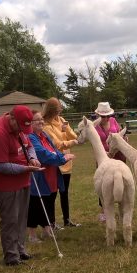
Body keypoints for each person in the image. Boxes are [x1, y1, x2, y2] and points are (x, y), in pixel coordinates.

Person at [0, 105, 43, 266]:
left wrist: (32, 158)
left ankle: (20, 250)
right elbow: (0, 165)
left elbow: (29, 146)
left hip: (23, 181)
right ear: (11, 118)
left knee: (21, 217)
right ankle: (11, 256)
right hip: (5, 186)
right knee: (10, 220)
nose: (22, 131)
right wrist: (26, 168)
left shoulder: (21, 129)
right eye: (19, 126)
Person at [27, 112, 75, 242]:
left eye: (41, 119)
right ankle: (32, 235)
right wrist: (62, 158)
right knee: (36, 205)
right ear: (30, 123)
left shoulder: (44, 135)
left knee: (48, 203)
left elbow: (54, 150)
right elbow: (43, 154)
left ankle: (46, 230)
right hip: (39, 177)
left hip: (52, 176)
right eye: (36, 120)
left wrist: (59, 156)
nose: (41, 122)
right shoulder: (31, 137)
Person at [41, 98, 80, 228]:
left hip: (66, 163)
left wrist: (65, 131)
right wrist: (73, 143)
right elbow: (57, 145)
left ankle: (67, 220)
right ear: (51, 111)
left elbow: (73, 136)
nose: (59, 112)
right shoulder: (46, 126)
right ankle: (51, 222)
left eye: (60, 110)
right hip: (55, 164)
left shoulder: (62, 121)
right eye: (57, 110)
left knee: (65, 193)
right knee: (53, 194)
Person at [93, 101, 126, 221]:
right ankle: (104, 211)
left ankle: (122, 208)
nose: (106, 118)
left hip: (118, 155)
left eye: (108, 115)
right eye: (103, 116)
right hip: (103, 157)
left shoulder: (113, 122)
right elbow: (94, 143)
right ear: (98, 115)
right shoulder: (94, 126)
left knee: (120, 180)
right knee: (103, 184)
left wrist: (124, 137)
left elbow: (118, 134)